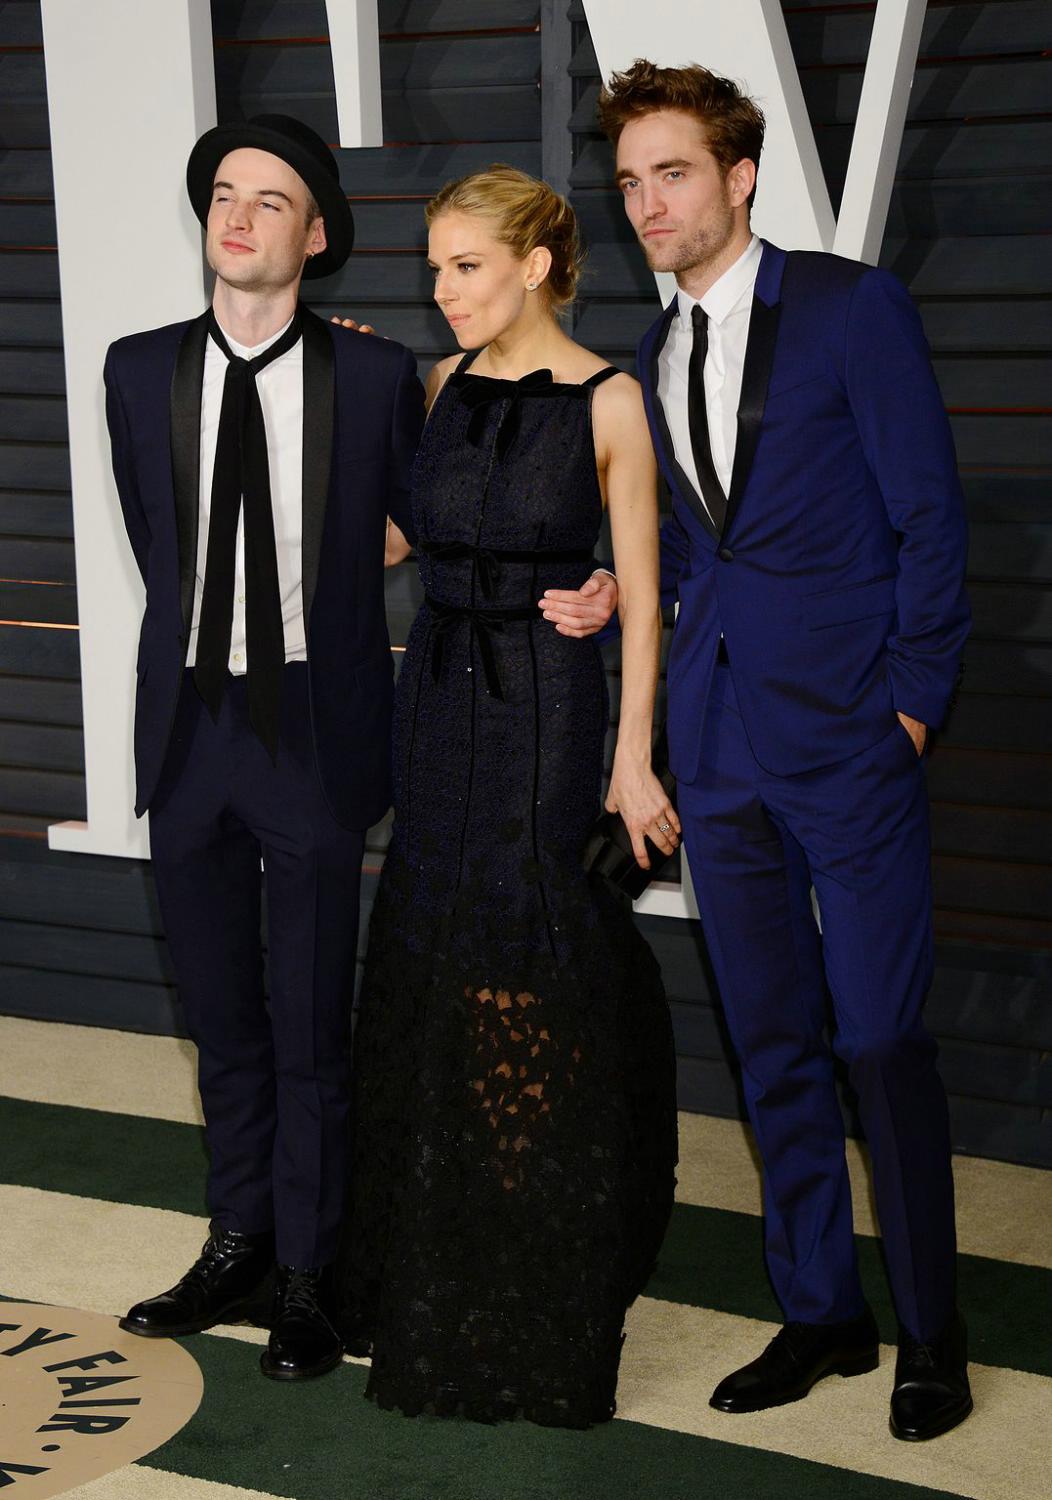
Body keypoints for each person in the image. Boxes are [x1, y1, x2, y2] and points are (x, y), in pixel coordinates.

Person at [595, 62, 972, 1441]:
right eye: (631, 179)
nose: (648, 202)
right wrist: (614, 591)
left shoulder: (848, 307)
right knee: (772, 1044)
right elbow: (699, 548)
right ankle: (821, 1308)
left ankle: (934, 1329)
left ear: (740, 175)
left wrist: (911, 705)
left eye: (673, 172)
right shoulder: (649, 355)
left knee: (879, 1038)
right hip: (722, 748)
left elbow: (930, 517)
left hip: (855, 742)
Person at [335, 166, 680, 1427]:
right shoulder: (431, 387)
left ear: (535, 264)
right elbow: (383, 540)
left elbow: (639, 596)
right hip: (436, 700)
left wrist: (630, 757)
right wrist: (349, 384)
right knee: (431, 962)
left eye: (463, 267)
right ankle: (441, 1263)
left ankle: (535, 1280)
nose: (442, 291)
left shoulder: (611, 399)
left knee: (524, 968)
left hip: (542, 709)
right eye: (434, 268)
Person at [104, 115, 426, 1381]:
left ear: (317, 236)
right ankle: (236, 1236)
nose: (238, 217)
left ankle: (309, 1272)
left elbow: (414, 523)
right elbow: (156, 538)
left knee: (307, 1022)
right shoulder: (134, 371)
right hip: (188, 728)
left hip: (310, 727)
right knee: (220, 1016)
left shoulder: (375, 375)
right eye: (223, 195)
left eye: (272, 200)